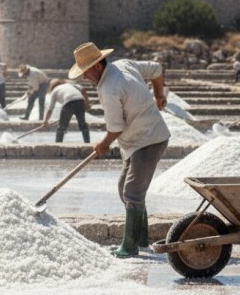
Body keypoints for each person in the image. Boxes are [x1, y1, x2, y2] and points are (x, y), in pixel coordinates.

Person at [69, 42, 170, 258]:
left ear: (96, 66)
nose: (85, 78)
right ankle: (141, 239)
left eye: (85, 73)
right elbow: (157, 69)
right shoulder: (124, 64)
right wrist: (159, 94)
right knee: (124, 188)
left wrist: (103, 145)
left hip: (148, 139)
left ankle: (130, 246)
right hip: (137, 140)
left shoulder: (109, 88)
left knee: (132, 193)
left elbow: (116, 127)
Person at [43, 79, 91, 143]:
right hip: (81, 101)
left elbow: (50, 109)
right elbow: (83, 89)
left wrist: (45, 121)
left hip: (69, 103)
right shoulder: (69, 85)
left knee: (61, 126)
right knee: (83, 125)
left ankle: (58, 144)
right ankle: (87, 142)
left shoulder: (54, 91)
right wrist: (87, 104)